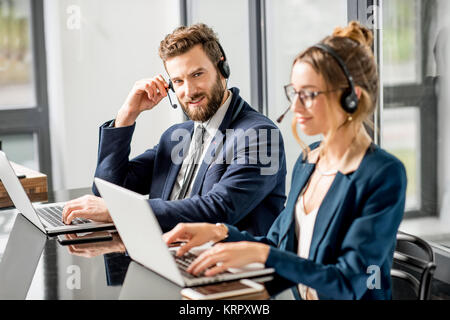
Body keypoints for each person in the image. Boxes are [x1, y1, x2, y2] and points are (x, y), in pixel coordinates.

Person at [163, 21, 407, 300]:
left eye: (310, 94)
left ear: (352, 97)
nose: (296, 107)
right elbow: (279, 246)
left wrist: (262, 254)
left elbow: (348, 283)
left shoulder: (382, 174)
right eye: (295, 93)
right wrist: (218, 233)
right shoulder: (310, 160)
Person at [61, 23, 286, 236]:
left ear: (222, 69)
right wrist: (127, 115)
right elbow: (107, 192)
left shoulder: (261, 136)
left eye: (197, 74)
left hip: (227, 269)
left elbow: (220, 209)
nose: (189, 91)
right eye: (178, 81)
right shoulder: (177, 136)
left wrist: (120, 212)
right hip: (166, 256)